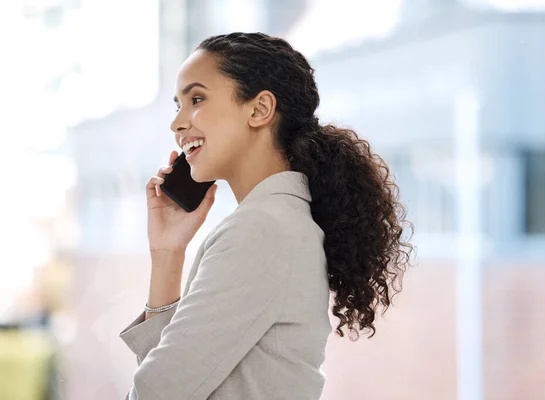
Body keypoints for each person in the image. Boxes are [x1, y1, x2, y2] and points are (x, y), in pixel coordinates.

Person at [119, 32, 413, 400]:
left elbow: (155, 394)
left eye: (196, 99)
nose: (176, 123)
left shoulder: (260, 230)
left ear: (259, 110)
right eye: (176, 105)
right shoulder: (276, 221)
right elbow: (168, 377)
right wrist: (167, 254)